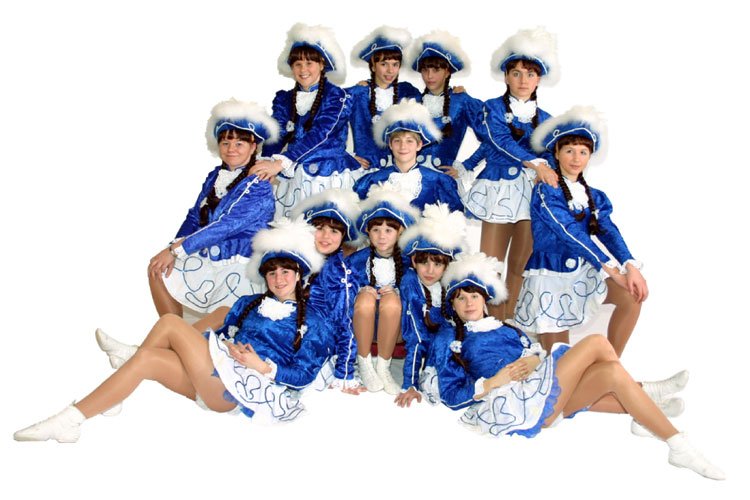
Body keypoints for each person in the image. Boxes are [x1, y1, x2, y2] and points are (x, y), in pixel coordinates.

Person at [14, 219, 331, 442]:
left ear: (299, 276)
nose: (278, 279)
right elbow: (211, 337)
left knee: (170, 323)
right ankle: (70, 422)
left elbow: (303, 375)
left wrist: (261, 365)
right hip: (215, 374)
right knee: (148, 360)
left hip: (240, 392)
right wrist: (227, 346)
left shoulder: (314, 322)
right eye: (272, 273)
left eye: (286, 272)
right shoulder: (249, 303)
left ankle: (126, 357)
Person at [423, 252, 724, 480]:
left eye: (474, 295)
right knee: (597, 343)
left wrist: (533, 359)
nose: (469, 303)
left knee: (611, 373)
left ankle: (668, 437)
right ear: (453, 306)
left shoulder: (506, 328)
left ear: (485, 299)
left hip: (543, 389)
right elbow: (451, 394)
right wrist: (492, 382)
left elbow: (534, 351)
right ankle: (654, 405)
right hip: (517, 404)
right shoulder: (449, 338)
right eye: (460, 298)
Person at [514, 106, 647, 357]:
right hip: (549, 278)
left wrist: (630, 266)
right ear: (556, 152)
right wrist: (610, 269)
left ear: (590, 156)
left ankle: (611, 368)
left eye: (583, 152)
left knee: (631, 297)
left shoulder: (594, 196)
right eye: (569, 151)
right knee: (560, 361)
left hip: (582, 272)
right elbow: (570, 232)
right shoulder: (545, 191)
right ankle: (611, 379)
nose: (576, 158)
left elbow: (609, 231)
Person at [462, 27, 560, 321]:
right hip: (498, 189)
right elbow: (498, 140)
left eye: (530, 74)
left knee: (519, 264)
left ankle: (508, 323)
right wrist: (535, 163)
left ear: (539, 79)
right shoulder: (491, 108)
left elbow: (553, 156)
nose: (523, 80)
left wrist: (547, 170)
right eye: (516, 73)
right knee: (490, 264)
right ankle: (490, 322)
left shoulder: (547, 120)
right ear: (505, 76)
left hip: (530, 195)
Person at [148, 99, 277, 317]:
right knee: (157, 269)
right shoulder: (215, 176)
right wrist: (173, 245)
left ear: (253, 146)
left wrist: (176, 250)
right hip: (212, 256)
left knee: (216, 322)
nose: (231, 149)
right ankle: (168, 333)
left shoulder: (259, 184)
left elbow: (225, 225)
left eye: (239, 143)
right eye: (225, 143)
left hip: (240, 263)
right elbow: (194, 216)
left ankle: (163, 339)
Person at [253, 22, 361, 218]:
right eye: (298, 64)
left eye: (309, 63)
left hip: (329, 176)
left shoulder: (337, 96)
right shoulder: (284, 99)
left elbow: (321, 134)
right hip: (295, 175)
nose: (303, 69)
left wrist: (280, 164)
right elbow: (277, 134)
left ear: (322, 64)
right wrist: (267, 162)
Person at [346, 184, 419, 394]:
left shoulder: (407, 262)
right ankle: (364, 362)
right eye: (376, 230)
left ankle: (383, 366)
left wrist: (398, 292)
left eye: (389, 230)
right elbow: (343, 286)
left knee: (391, 301)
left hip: (394, 327)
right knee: (366, 299)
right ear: (368, 231)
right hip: (362, 324)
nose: (382, 236)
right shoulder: (357, 260)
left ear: (400, 231)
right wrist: (360, 289)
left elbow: (415, 290)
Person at [292, 188, 366, 394]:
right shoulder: (296, 259)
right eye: (320, 228)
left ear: (342, 237)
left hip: (316, 337)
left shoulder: (339, 272)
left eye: (334, 231)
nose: (326, 236)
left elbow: (346, 324)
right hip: (290, 327)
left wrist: (344, 372)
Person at [395, 202, 467, 407]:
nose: (430, 270)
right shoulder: (411, 282)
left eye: (437, 264)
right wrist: (410, 384)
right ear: (414, 261)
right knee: (443, 337)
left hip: (441, 340)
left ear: (447, 265)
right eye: (424, 262)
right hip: (413, 337)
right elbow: (416, 337)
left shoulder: (448, 285)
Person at [353, 98, 464, 212]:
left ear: (419, 145)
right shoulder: (371, 181)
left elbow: (453, 218)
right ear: (390, 145)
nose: (403, 146)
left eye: (409, 141)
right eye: (397, 141)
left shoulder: (439, 182)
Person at [406, 30, 483, 178]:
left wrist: (466, 166)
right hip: (410, 178)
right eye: (425, 70)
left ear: (447, 72)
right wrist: (366, 85)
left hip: (443, 180)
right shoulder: (412, 100)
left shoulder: (461, 101)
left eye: (436, 70)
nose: (429, 76)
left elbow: (493, 136)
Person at [347, 25, 421, 170]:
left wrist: (453, 91)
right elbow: (330, 125)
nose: (390, 70)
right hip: (365, 170)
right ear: (373, 66)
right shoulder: (358, 93)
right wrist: (345, 156)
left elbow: (429, 115)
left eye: (395, 64)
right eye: (383, 64)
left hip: (400, 171)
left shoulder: (408, 92)